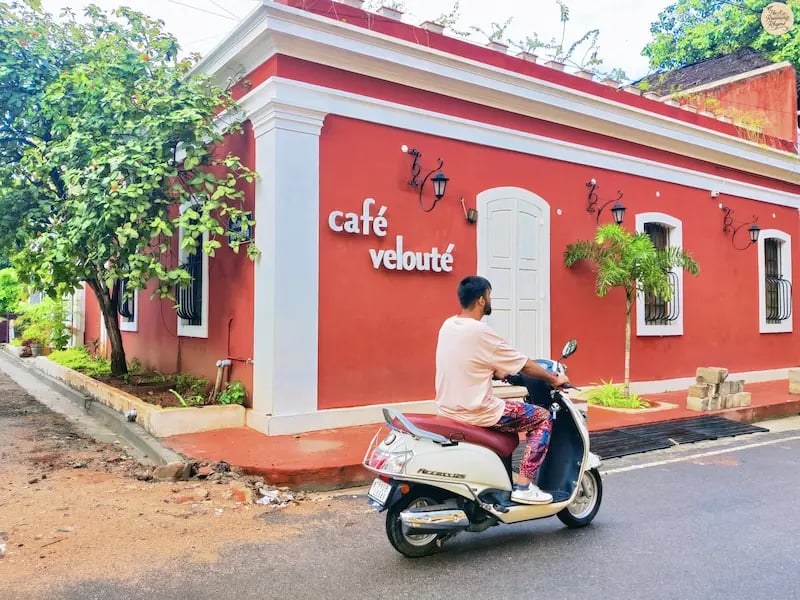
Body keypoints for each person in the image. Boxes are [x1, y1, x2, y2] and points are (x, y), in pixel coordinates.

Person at [434, 275, 569, 505]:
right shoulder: (480, 331)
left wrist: (495, 371)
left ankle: (502, 480)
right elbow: (524, 364)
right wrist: (553, 378)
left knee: (512, 424)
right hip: (478, 410)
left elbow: (468, 360)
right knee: (542, 418)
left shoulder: (448, 325)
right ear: (480, 300)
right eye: (489, 295)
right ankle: (525, 486)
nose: (490, 299)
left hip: (448, 408)